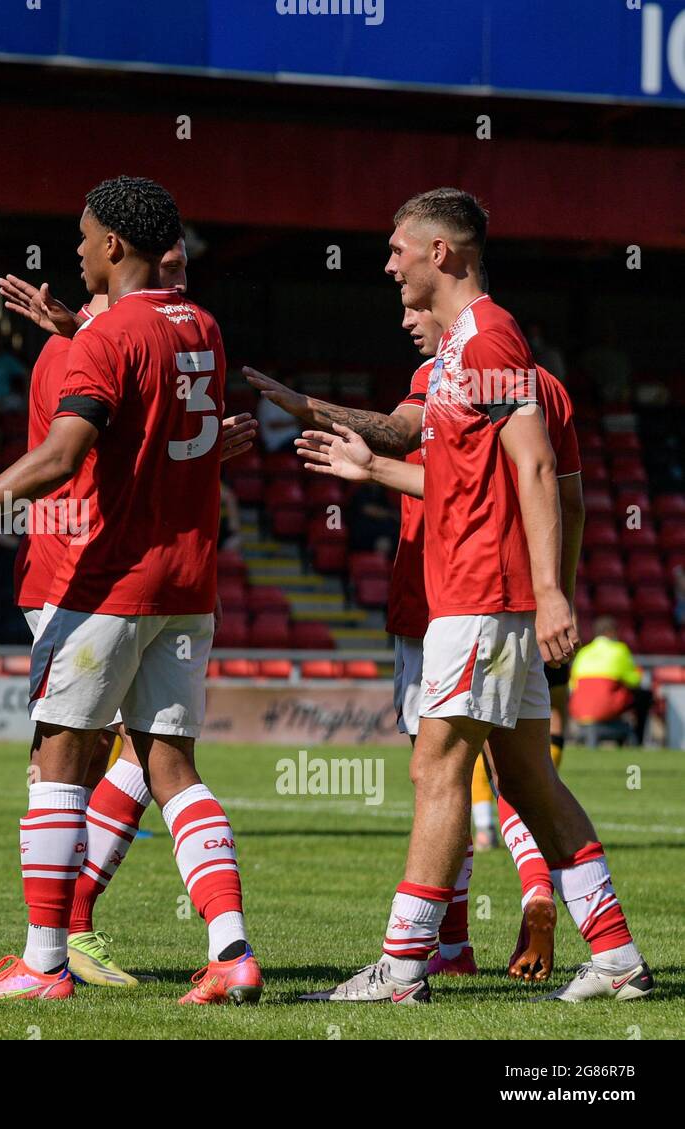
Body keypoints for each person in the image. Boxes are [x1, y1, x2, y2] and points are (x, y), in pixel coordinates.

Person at [0, 176, 262, 1005]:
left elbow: (59, 456)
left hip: (106, 579)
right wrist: (75, 324)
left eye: (85, 237)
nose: (78, 249)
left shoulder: (106, 336)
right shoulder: (202, 325)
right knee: (174, 768)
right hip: (188, 584)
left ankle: (44, 961)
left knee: (59, 760)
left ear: (115, 247)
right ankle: (231, 950)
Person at [298, 187, 649, 1003]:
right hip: (478, 592)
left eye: (397, 249)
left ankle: (404, 966)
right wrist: (371, 466)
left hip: (482, 593)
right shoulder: (459, 349)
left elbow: (532, 465)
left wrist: (553, 592)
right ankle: (618, 955)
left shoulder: (489, 339)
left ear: (441, 254)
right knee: (526, 778)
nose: (388, 265)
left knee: (437, 766)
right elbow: (459, 475)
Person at [253, 295, 583, 981]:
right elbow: (560, 495)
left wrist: (308, 407)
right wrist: (555, 590)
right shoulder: (542, 387)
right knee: (517, 773)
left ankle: (428, 955)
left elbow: (408, 441)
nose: (407, 317)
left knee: (442, 775)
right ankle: (593, 934)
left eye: (415, 300)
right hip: (505, 599)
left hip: (451, 595)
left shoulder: (458, 368)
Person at [0, 240, 255, 988]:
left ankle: (54, 946)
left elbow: (101, 448)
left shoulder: (113, 338)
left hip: (111, 574)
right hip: (106, 573)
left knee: (92, 761)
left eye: (183, 274)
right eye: (167, 271)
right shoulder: (110, 345)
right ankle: (215, 949)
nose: (176, 288)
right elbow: (89, 450)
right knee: (134, 759)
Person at [569, 617, 653, 745]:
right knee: (644, 696)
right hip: (606, 707)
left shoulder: (583, 653)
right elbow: (635, 680)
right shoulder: (619, 650)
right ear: (611, 632)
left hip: (579, 709)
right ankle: (638, 741)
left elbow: (572, 685)